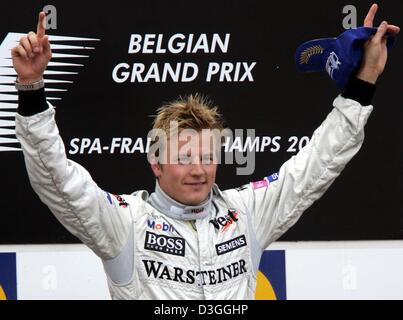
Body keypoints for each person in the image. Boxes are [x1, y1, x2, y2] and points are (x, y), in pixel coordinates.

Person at [12, 4, 400, 300]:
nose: (197, 169)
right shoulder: (125, 224)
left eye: (206, 156)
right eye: (183, 158)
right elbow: (56, 179)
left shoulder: (246, 213)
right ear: (156, 163)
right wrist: (31, 88)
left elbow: (317, 163)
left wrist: (363, 81)